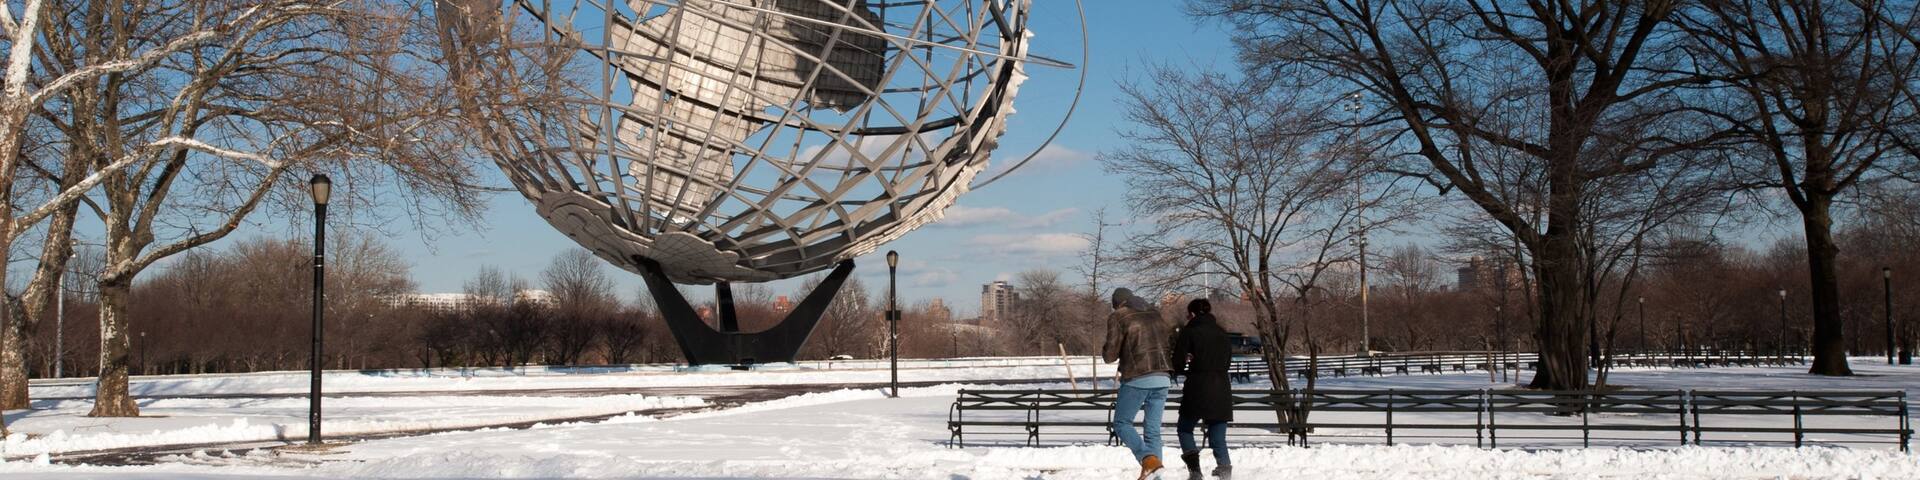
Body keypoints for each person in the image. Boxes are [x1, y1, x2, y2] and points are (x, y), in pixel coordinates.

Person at [1103, 287, 1178, 480]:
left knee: (1121, 423)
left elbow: (1109, 355)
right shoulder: (1155, 313)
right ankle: (1156, 476)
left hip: (1138, 376)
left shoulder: (1119, 316)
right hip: (1163, 377)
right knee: (1152, 431)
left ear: (1117, 304)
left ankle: (1147, 459)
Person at [1172, 299, 1232, 479]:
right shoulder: (1222, 333)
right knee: (1218, 435)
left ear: (1192, 314)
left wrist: (1188, 360)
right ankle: (1225, 470)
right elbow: (1227, 362)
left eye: (1187, 314)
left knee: (1184, 428)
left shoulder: (1189, 332)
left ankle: (1195, 471)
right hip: (1221, 387)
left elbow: (1177, 363)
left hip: (1197, 386)